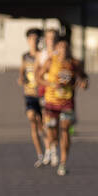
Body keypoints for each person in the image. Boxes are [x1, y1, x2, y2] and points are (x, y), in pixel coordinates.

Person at [37, 36, 87, 176]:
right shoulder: (50, 62)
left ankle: (63, 163)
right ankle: (53, 145)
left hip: (67, 103)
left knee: (65, 130)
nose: (63, 50)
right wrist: (51, 84)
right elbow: (38, 78)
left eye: (66, 47)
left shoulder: (74, 63)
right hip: (51, 102)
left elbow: (84, 78)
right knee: (52, 132)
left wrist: (83, 83)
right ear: (57, 48)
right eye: (60, 47)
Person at [18, 28, 46, 167]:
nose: (33, 42)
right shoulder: (25, 56)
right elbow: (22, 72)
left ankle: (48, 151)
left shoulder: (42, 56)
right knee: (31, 118)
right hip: (29, 94)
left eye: (36, 39)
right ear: (28, 40)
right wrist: (21, 79)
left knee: (43, 125)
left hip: (41, 94)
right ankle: (39, 155)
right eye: (31, 39)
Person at [35, 27, 60, 166]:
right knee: (45, 123)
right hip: (44, 91)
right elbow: (37, 75)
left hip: (58, 95)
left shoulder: (59, 53)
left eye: (53, 38)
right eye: (49, 38)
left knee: (54, 124)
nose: (51, 40)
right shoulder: (42, 55)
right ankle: (48, 150)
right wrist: (47, 83)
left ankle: (54, 149)